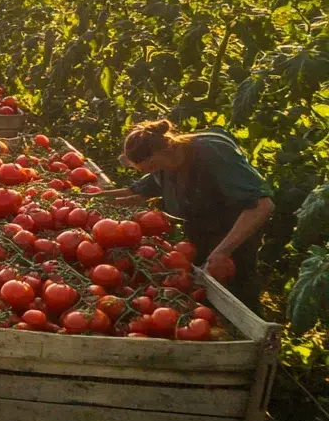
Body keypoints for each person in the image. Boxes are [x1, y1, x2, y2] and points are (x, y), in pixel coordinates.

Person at [101, 119, 274, 311]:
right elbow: (137, 191)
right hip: (201, 229)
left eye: (151, 167)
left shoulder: (212, 152)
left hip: (236, 230)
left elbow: (261, 205)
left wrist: (222, 251)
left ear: (160, 153)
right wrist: (88, 197)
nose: (153, 172)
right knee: (202, 293)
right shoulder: (165, 165)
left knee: (239, 292)